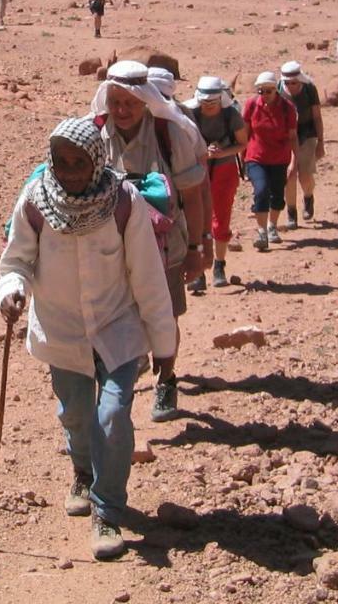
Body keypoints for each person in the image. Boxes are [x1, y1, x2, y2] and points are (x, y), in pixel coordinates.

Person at [0, 117, 176, 562]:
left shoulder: (123, 202)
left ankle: (107, 510)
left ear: (97, 160)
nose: (71, 171)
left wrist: (164, 345)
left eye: (80, 162)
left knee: (113, 417)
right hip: (61, 328)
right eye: (62, 162)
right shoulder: (36, 201)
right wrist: (12, 289)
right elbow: (15, 260)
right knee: (76, 415)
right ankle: (81, 471)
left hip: (116, 327)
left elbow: (148, 276)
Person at [91, 60, 210, 422]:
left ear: (145, 101)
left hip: (166, 247)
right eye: (115, 103)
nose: (122, 111)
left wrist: (196, 249)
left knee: (165, 314)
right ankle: (109, 399)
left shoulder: (168, 135)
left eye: (130, 102)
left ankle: (167, 379)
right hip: (111, 251)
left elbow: (192, 195)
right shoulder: (95, 134)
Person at [182, 76, 248, 291]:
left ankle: (219, 265)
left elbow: (242, 143)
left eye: (213, 102)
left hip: (224, 169)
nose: (209, 106)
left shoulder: (231, 115)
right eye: (205, 102)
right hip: (197, 170)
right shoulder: (190, 114)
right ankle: (198, 271)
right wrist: (202, 153)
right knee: (197, 219)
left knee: (221, 218)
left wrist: (221, 153)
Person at [241, 71, 297, 252]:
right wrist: (242, 158)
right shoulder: (251, 105)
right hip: (256, 156)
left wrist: (294, 162)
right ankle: (262, 232)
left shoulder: (287, 108)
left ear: (276, 90)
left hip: (279, 158)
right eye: (261, 91)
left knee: (278, 196)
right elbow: (245, 132)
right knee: (261, 190)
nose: (264, 95)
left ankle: (272, 225)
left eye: (268, 91)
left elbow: (292, 137)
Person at [279, 61, 324, 228]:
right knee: (289, 175)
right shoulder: (278, 91)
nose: (290, 86)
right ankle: (291, 212)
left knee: (305, 174)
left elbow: (317, 117)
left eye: (294, 82)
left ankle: (308, 196)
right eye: (287, 83)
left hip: (307, 134)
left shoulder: (309, 89)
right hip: (286, 137)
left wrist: (321, 142)